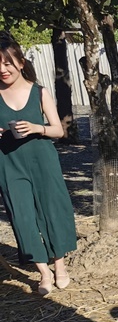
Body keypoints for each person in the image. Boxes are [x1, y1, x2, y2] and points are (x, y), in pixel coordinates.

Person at [0, 32, 76, 295]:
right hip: (8, 162)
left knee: (52, 209)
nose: (2, 69)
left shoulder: (39, 92)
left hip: (42, 159)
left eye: (7, 63)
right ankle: (43, 272)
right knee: (22, 215)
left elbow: (58, 131)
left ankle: (60, 266)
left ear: (20, 62)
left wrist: (36, 127)